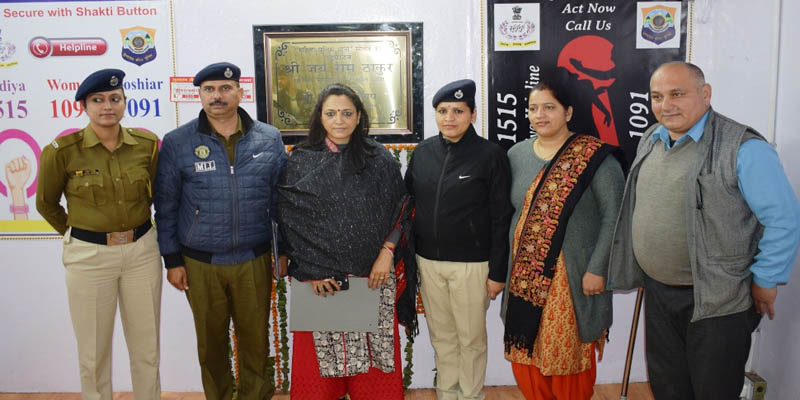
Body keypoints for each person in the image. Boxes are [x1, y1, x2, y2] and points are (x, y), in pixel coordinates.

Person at [607, 61, 800, 399]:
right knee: (669, 388)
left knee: (713, 390)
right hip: (660, 293)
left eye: (677, 94)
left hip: (719, 299)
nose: (666, 105)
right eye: (657, 96)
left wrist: (767, 279)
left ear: (705, 93)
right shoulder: (652, 138)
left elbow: (783, 218)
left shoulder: (744, 148)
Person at [154, 62, 287, 400]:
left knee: (256, 341)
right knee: (211, 343)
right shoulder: (178, 142)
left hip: (253, 258)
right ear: (199, 95)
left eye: (226, 88)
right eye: (209, 90)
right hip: (201, 263)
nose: (218, 96)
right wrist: (172, 259)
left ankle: (255, 395)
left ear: (240, 93)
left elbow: (281, 201)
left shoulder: (269, 138)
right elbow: (166, 206)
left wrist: (283, 251)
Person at [277, 83, 414, 399]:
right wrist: (312, 271)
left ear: (359, 117)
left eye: (346, 113)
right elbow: (290, 220)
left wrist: (387, 252)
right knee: (320, 375)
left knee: (373, 374)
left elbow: (402, 208)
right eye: (331, 113)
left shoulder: (379, 159)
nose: (339, 120)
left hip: (371, 279)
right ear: (320, 117)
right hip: (320, 284)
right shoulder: (301, 160)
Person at [36, 69, 162, 400]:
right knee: (93, 354)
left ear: (124, 102)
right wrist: (79, 234)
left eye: (115, 98)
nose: (108, 106)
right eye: (98, 100)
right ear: (83, 106)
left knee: (147, 349)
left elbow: (158, 196)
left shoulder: (147, 145)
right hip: (89, 258)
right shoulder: (62, 151)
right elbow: (46, 203)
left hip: (141, 253)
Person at [500, 79, 624, 399]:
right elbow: (507, 213)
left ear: (568, 112)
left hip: (570, 278)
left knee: (566, 354)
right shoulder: (516, 155)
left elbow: (615, 217)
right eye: (533, 108)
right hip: (524, 276)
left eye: (549, 107)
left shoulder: (593, 157)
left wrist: (598, 269)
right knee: (526, 352)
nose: (540, 115)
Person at [405, 79, 513, 400]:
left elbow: (501, 217)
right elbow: (408, 204)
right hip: (428, 263)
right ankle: (446, 393)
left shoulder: (491, 156)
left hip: (473, 265)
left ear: (473, 114)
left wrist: (497, 272)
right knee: (442, 337)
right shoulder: (422, 152)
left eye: (458, 111)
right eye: (443, 111)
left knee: (471, 340)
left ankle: (470, 396)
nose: (449, 118)